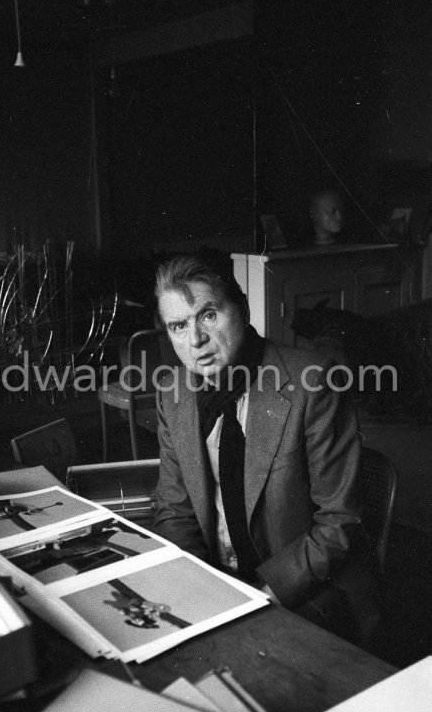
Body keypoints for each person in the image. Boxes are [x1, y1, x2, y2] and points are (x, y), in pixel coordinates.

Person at [152, 254, 378, 643]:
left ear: (242, 308)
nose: (195, 341)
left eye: (208, 315)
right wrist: (197, 591)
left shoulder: (313, 383)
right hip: (221, 585)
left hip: (305, 590)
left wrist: (257, 599)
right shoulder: (173, 394)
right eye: (178, 325)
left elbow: (340, 523)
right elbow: (175, 510)